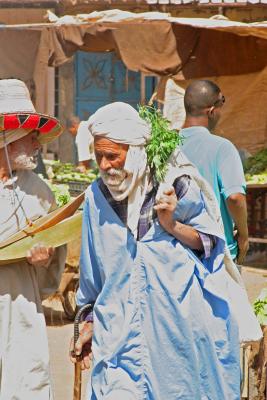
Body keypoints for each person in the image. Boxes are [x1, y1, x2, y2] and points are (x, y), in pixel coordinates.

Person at [70, 102, 261, 400]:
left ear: (133, 151)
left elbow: (209, 244)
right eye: (99, 157)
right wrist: (89, 322)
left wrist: (171, 224)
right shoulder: (97, 195)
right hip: (119, 331)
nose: (105, 165)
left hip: (176, 328)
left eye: (112, 156)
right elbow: (92, 265)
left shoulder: (176, 184)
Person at [0, 79, 66, 399]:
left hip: (20, 304)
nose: (37, 144)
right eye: (30, 136)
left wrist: (44, 261)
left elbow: (56, 250)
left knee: (22, 379)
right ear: (7, 139)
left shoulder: (39, 192)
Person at [180, 80, 249, 264]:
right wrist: (243, 235)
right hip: (216, 253)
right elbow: (235, 198)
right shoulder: (222, 148)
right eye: (221, 105)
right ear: (211, 111)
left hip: (176, 250)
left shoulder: (167, 146)